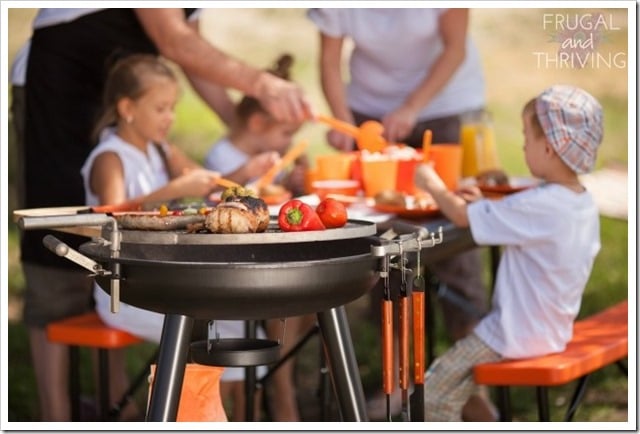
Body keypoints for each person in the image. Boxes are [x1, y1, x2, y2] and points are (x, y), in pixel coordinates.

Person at [19, 8, 312, 422]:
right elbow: (108, 217)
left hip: (159, 280)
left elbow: (206, 182)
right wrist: (172, 191)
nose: (170, 119)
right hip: (124, 291)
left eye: (173, 108)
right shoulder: (110, 160)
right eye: (161, 109)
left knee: (237, 330)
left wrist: (243, 174)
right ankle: (208, 417)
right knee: (226, 333)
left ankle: (224, 416)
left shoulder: (159, 148)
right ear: (127, 108)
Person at [307, 8, 492, 420]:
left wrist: (410, 108)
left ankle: (475, 388)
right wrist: (342, 121)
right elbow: (328, 62)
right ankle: (397, 384)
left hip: (444, 108)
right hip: (368, 115)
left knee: (457, 245)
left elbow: (455, 48)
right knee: (383, 244)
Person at [414, 84, 603, 421]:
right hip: (551, 330)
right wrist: (486, 201)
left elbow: (460, 217)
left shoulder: (537, 205)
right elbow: (525, 210)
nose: (523, 146)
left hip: (512, 335)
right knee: (457, 382)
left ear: (548, 147)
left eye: (526, 138)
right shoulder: (579, 200)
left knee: (429, 396)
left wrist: (432, 184)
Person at [204, 53, 314, 422]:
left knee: (307, 298)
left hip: (263, 264)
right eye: (285, 134)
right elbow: (212, 207)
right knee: (297, 299)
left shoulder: (265, 156)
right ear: (256, 122)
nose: (287, 144)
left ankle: (288, 386)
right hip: (233, 274)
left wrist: (296, 181)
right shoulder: (223, 157)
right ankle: (283, 393)